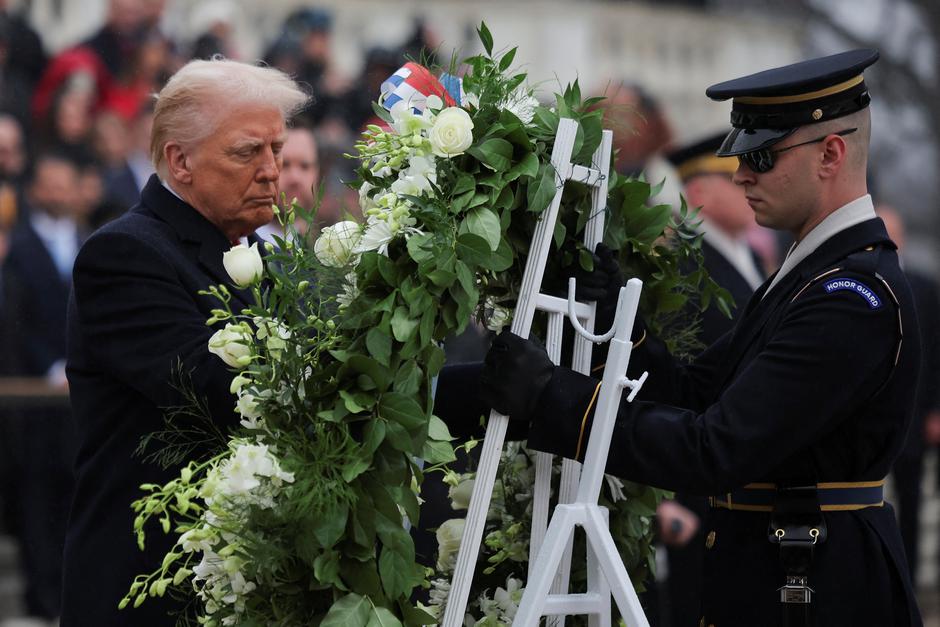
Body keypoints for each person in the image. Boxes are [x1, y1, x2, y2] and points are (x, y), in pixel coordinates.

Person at [480, 49, 922, 626]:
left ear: (830, 154)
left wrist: (551, 397)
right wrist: (622, 323)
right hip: (784, 574)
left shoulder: (848, 296)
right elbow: (696, 391)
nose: (741, 175)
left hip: (818, 587)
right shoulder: (811, 275)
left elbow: (715, 447)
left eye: (761, 156)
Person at [62, 58, 309, 626]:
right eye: (249, 152)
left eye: (277, 147)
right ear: (181, 160)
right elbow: (229, 393)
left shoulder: (270, 259)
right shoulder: (124, 257)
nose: (273, 170)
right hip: (152, 593)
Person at [3, 152, 85, 620]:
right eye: (48, 184)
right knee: (36, 502)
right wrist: (51, 365)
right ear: (35, 190)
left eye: (64, 184)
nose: (57, 193)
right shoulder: (18, 245)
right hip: (34, 395)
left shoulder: (88, 240)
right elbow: (18, 320)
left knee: (75, 500)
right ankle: (42, 599)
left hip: (80, 398)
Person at [877, 204, 940, 585]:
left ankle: (909, 582)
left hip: (915, 417)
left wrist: (936, 409)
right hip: (872, 419)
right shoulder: (858, 283)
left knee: (912, 500)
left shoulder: (925, 286)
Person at [256, 124, 320, 242]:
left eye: (305, 166)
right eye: (284, 164)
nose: (295, 178)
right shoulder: (237, 245)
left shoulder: (325, 248)